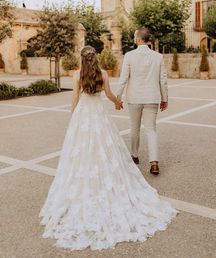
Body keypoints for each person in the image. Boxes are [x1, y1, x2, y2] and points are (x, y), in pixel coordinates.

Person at [39, 45, 177, 251]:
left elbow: (75, 97)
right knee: (106, 146)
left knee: (83, 149)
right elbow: (110, 94)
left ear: (81, 59)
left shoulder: (77, 75)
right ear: (95, 58)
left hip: (83, 116)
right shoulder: (102, 74)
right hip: (99, 114)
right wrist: (117, 102)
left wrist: (72, 115)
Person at [116, 27, 168, 175]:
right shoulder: (158, 57)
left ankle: (134, 156)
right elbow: (163, 80)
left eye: (134, 36)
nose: (133, 38)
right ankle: (154, 163)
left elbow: (123, 78)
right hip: (152, 98)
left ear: (138, 39)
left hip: (134, 98)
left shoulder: (129, 56)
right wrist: (165, 98)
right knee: (151, 130)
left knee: (135, 128)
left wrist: (117, 97)